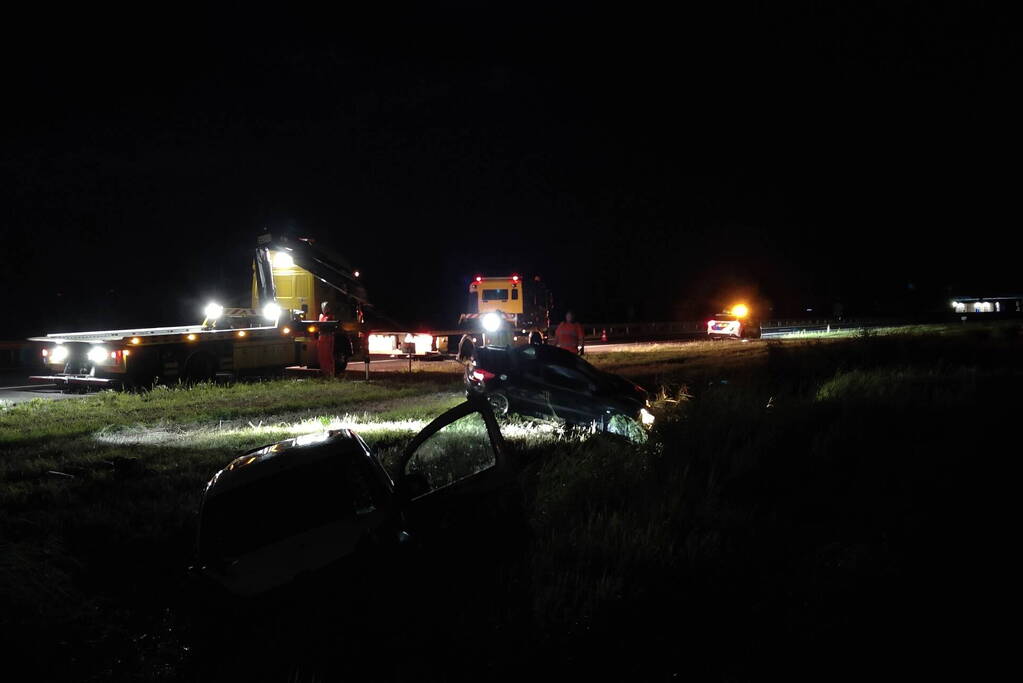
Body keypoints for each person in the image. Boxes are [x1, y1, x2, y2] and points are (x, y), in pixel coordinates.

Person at [317, 301, 336, 376]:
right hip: (322, 337)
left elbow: (325, 326)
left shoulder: (329, 317)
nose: (325, 309)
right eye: (324, 307)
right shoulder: (322, 316)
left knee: (328, 356)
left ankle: (330, 373)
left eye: (326, 307)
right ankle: (325, 372)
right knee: (322, 356)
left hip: (327, 337)